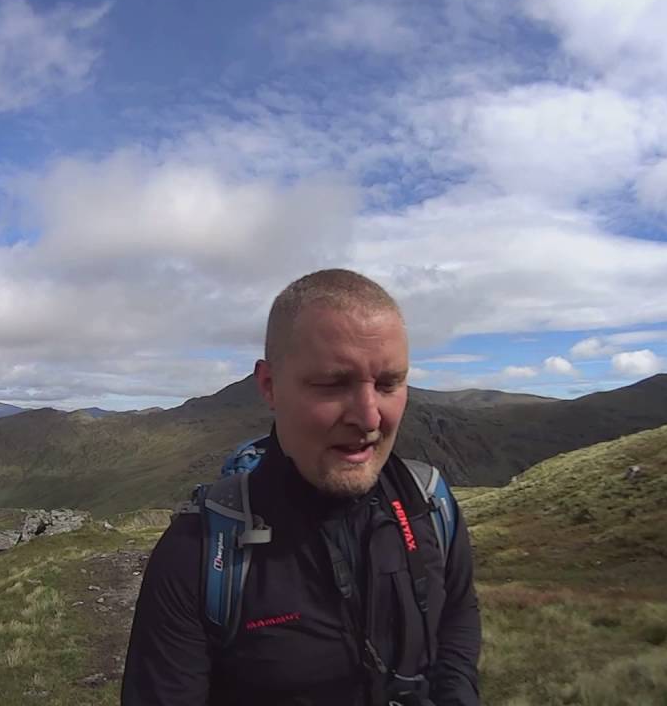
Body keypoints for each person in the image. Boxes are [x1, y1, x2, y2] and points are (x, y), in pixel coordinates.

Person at [121, 269, 482, 706]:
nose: (369, 418)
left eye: (389, 384)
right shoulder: (198, 554)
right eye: (332, 384)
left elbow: (457, 615)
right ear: (269, 386)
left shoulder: (430, 504)